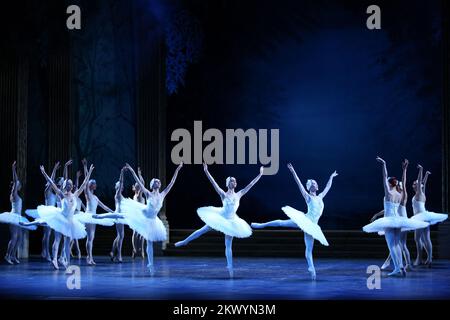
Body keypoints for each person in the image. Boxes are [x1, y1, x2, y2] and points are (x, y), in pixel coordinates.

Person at [176, 163, 263, 278]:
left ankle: (230, 266)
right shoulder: (223, 194)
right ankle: (185, 241)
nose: (234, 182)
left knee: (228, 244)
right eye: (232, 181)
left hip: (232, 221)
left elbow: (251, 184)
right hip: (221, 217)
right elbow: (213, 183)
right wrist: (206, 171)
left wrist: (260, 174)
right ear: (228, 183)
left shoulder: (239, 194)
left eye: (235, 181)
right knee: (202, 230)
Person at [252, 163, 336, 280]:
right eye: (314, 183)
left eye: (316, 183)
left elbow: (328, 187)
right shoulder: (308, 197)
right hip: (305, 220)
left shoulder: (320, 196)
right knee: (282, 223)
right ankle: (261, 225)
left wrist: (331, 177)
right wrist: (293, 171)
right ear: (310, 186)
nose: (316, 184)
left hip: (313, 226)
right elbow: (299, 184)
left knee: (308, 250)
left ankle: (312, 270)